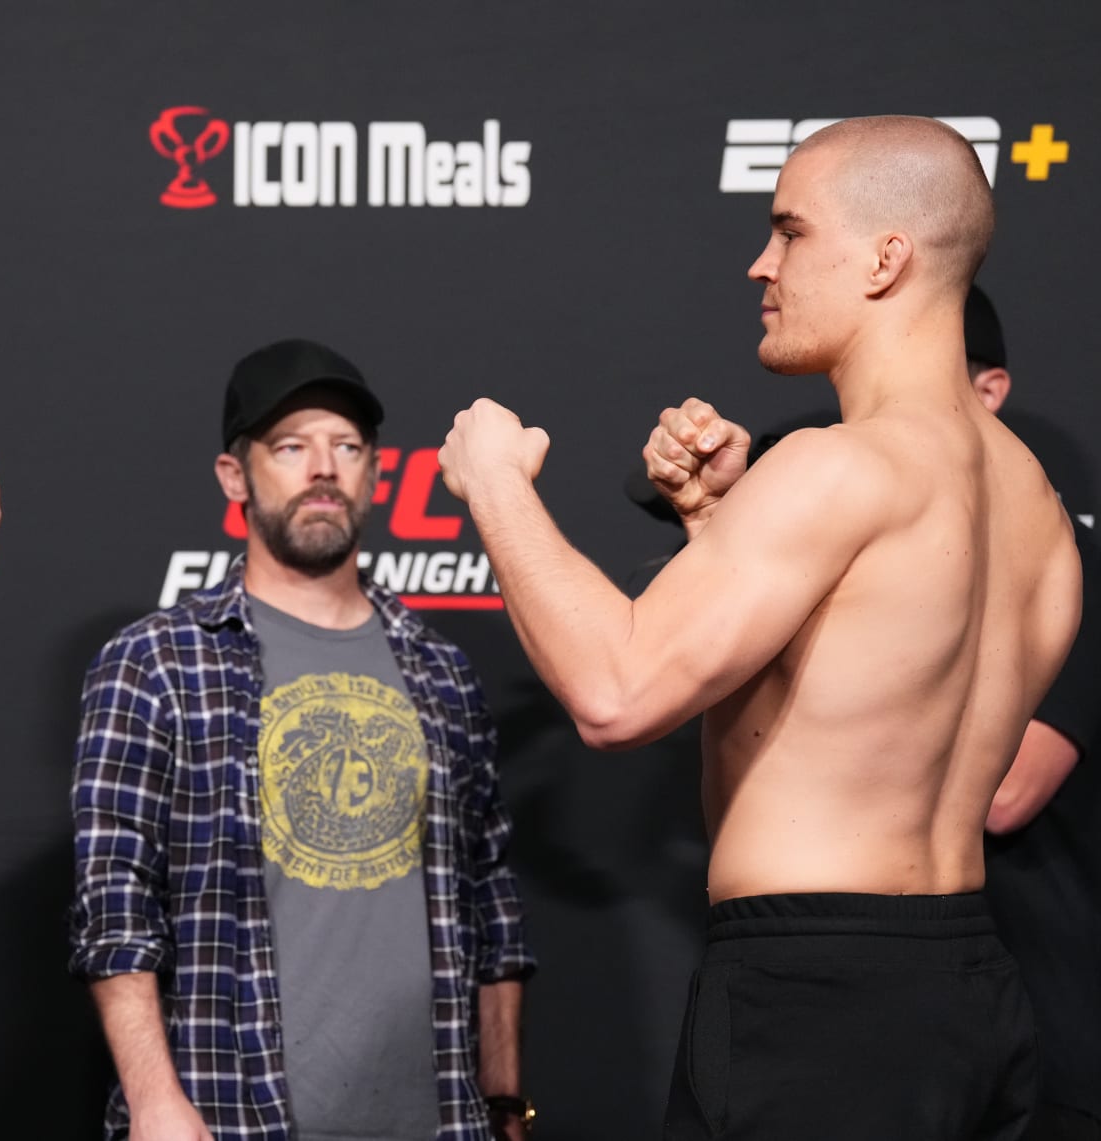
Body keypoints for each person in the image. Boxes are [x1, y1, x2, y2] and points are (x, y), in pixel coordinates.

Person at [437, 115, 1082, 1139]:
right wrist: (711, 524)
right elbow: (859, 677)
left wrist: (497, 487)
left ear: (886, 259)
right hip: (968, 990)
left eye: (789, 231)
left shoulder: (836, 469)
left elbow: (616, 692)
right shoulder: (1039, 511)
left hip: (814, 1001)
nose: (759, 264)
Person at [68, 339, 534, 1141]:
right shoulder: (154, 662)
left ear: (375, 473)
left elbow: (490, 900)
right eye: (291, 446)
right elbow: (113, 904)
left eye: (346, 447)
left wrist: (504, 1101)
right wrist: (152, 1101)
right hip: (227, 1120)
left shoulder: (443, 673)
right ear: (234, 475)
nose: (323, 468)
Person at [966, 288, 1101, 1141]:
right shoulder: (877, 562)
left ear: (992, 391)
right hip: (908, 1032)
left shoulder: (1070, 564)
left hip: (1047, 1030)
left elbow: (1005, 793)